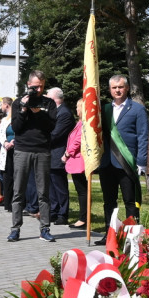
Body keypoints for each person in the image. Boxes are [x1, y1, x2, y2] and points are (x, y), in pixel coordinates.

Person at [8, 70, 58, 242]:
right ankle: (15, 229)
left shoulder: (49, 103)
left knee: (43, 192)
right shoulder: (18, 102)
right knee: (18, 191)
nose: (38, 90)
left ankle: (44, 228)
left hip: (42, 150)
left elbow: (50, 126)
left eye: (41, 87)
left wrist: (37, 111)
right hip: (22, 150)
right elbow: (16, 128)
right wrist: (23, 109)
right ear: (28, 85)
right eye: (35, 87)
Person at [97, 74, 148, 244]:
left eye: (120, 87)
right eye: (114, 87)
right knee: (108, 201)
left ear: (126, 88)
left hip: (127, 162)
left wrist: (141, 161)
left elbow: (143, 136)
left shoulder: (137, 109)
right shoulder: (104, 109)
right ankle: (109, 234)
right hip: (106, 162)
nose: (117, 90)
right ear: (110, 90)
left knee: (130, 201)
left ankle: (132, 234)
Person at [47, 87, 74, 226]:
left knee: (60, 186)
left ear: (54, 98)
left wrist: (40, 139)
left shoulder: (64, 113)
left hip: (58, 153)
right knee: (51, 185)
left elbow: (56, 134)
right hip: (50, 154)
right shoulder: (55, 111)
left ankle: (62, 214)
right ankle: (54, 211)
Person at [62, 98, 88, 228]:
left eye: (78, 107)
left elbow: (78, 141)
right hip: (75, 160)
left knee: (82, 191)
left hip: (78, 160)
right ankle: (83, 217)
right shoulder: (79, 123)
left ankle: (83, 218)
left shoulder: (84, 124)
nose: (76, 109)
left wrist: (67, 153)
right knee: (81, 190)